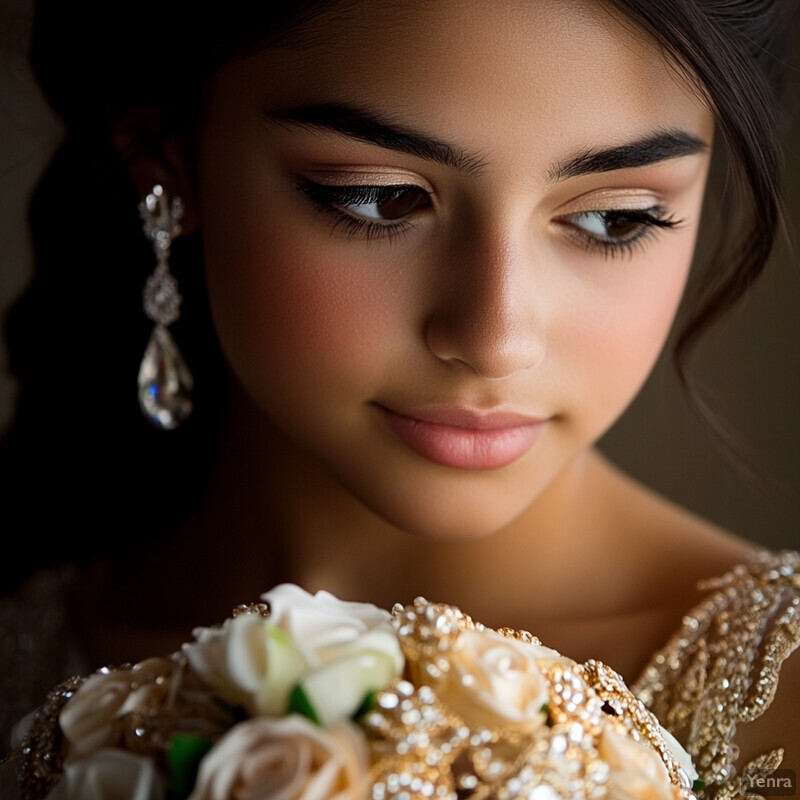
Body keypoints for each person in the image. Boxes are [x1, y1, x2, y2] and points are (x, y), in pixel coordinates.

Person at [1, 0, 798, 791]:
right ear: (165, 152)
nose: (496, 340)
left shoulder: (782, 702)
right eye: (381, 197)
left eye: (616, 219)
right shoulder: (24, 660)